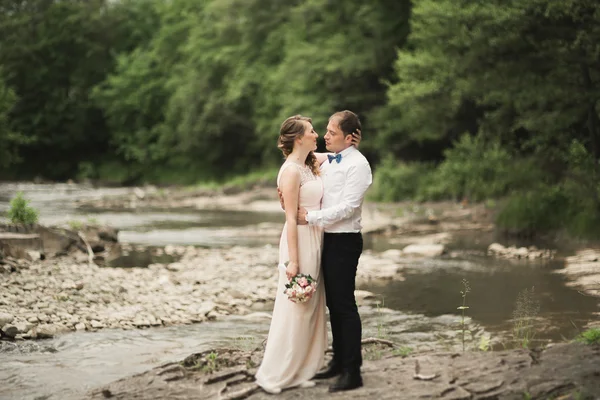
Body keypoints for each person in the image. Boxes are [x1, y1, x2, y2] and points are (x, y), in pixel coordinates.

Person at [298, 110, 372, 392]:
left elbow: (348, 208)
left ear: (350, 138)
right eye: (326, 131)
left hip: (344, 240)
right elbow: (301, 158)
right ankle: (339, 362)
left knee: (344, 305)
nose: (325, 136)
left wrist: (310, 218)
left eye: (331, 132)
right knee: (332, 305)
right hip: (325, 240)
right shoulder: (331, 160)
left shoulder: (359, 165)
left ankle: (353, 372)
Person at [254, 115, 328, 394]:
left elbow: (333, 157)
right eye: (311, 131)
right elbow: (289, 219)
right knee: (298, 305)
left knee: (312, 306)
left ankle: (304, 369)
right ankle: (280, 373)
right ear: (299, 138)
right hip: (300, 241)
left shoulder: (308, 164)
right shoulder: (291, 172)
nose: (317, 134)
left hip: (317, 237)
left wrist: (349, 144)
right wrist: (294, 261)